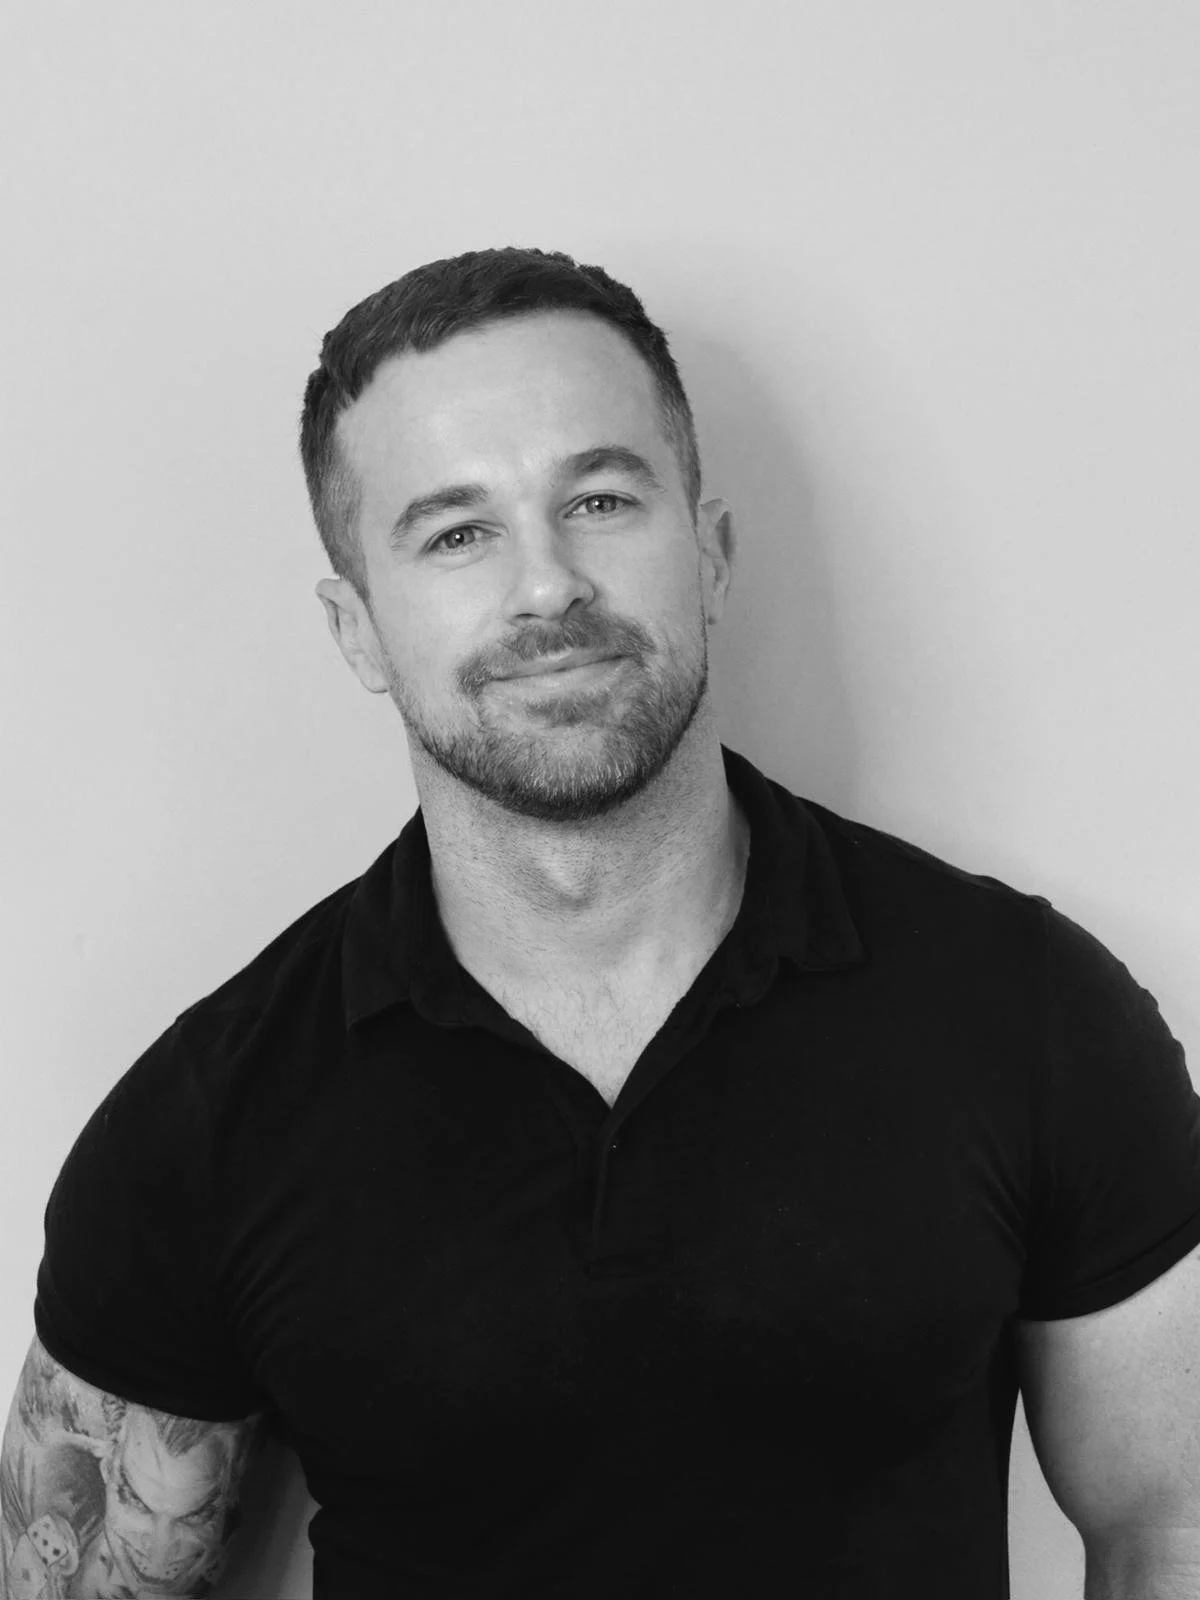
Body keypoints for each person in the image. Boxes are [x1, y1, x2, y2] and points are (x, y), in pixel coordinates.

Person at [3, 247, 1200, 1600]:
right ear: (357, 631)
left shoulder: (1026, 1011)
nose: (547, 585)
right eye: (457, 531)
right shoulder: (204, 1123)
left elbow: (1169, 1525)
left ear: (713, 549)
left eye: (600, 497)